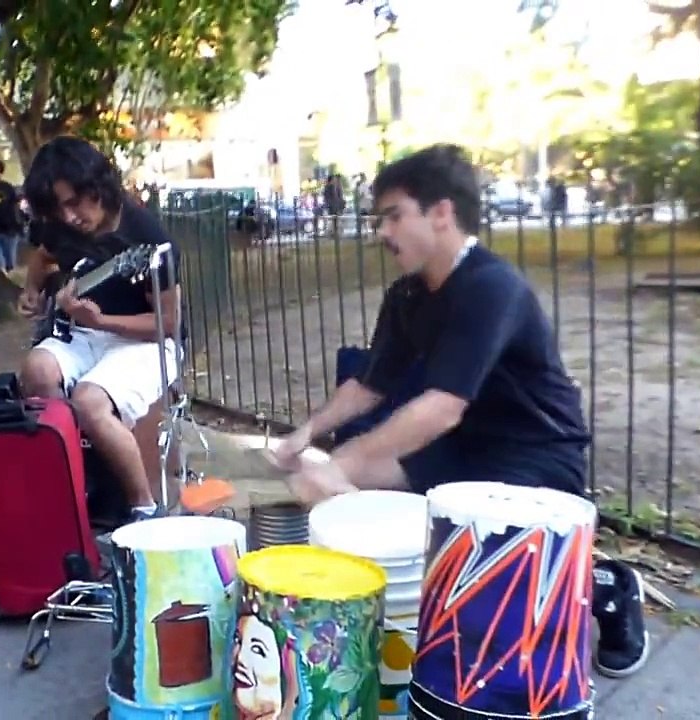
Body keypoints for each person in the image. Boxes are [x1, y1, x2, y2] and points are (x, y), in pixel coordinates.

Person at [268, 144, 649, 679]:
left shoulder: (492, 287)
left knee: (467, 559)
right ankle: (397, 614)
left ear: (441, 213)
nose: (382, 232)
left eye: (394, 216)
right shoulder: (407, 295)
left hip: (536, 456)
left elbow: (443, 408)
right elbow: (371, 385)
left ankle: (605, 586)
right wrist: (304, 436)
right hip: (462, 450)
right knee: (336, 494)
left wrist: (340, 465)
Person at [18, 136, 181, 525]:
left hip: (145, 342)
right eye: (58, 208)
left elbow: (169, 323)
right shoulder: (62, 226)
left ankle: (144, 509)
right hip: (85, 335)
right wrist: (31, 291)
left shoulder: (148, 238)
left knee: (90, 401)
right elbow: (43, 256)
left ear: (97, 185)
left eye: (75, 202)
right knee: (37, 370)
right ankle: (70, 488)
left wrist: (103, 321)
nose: (70, 217)